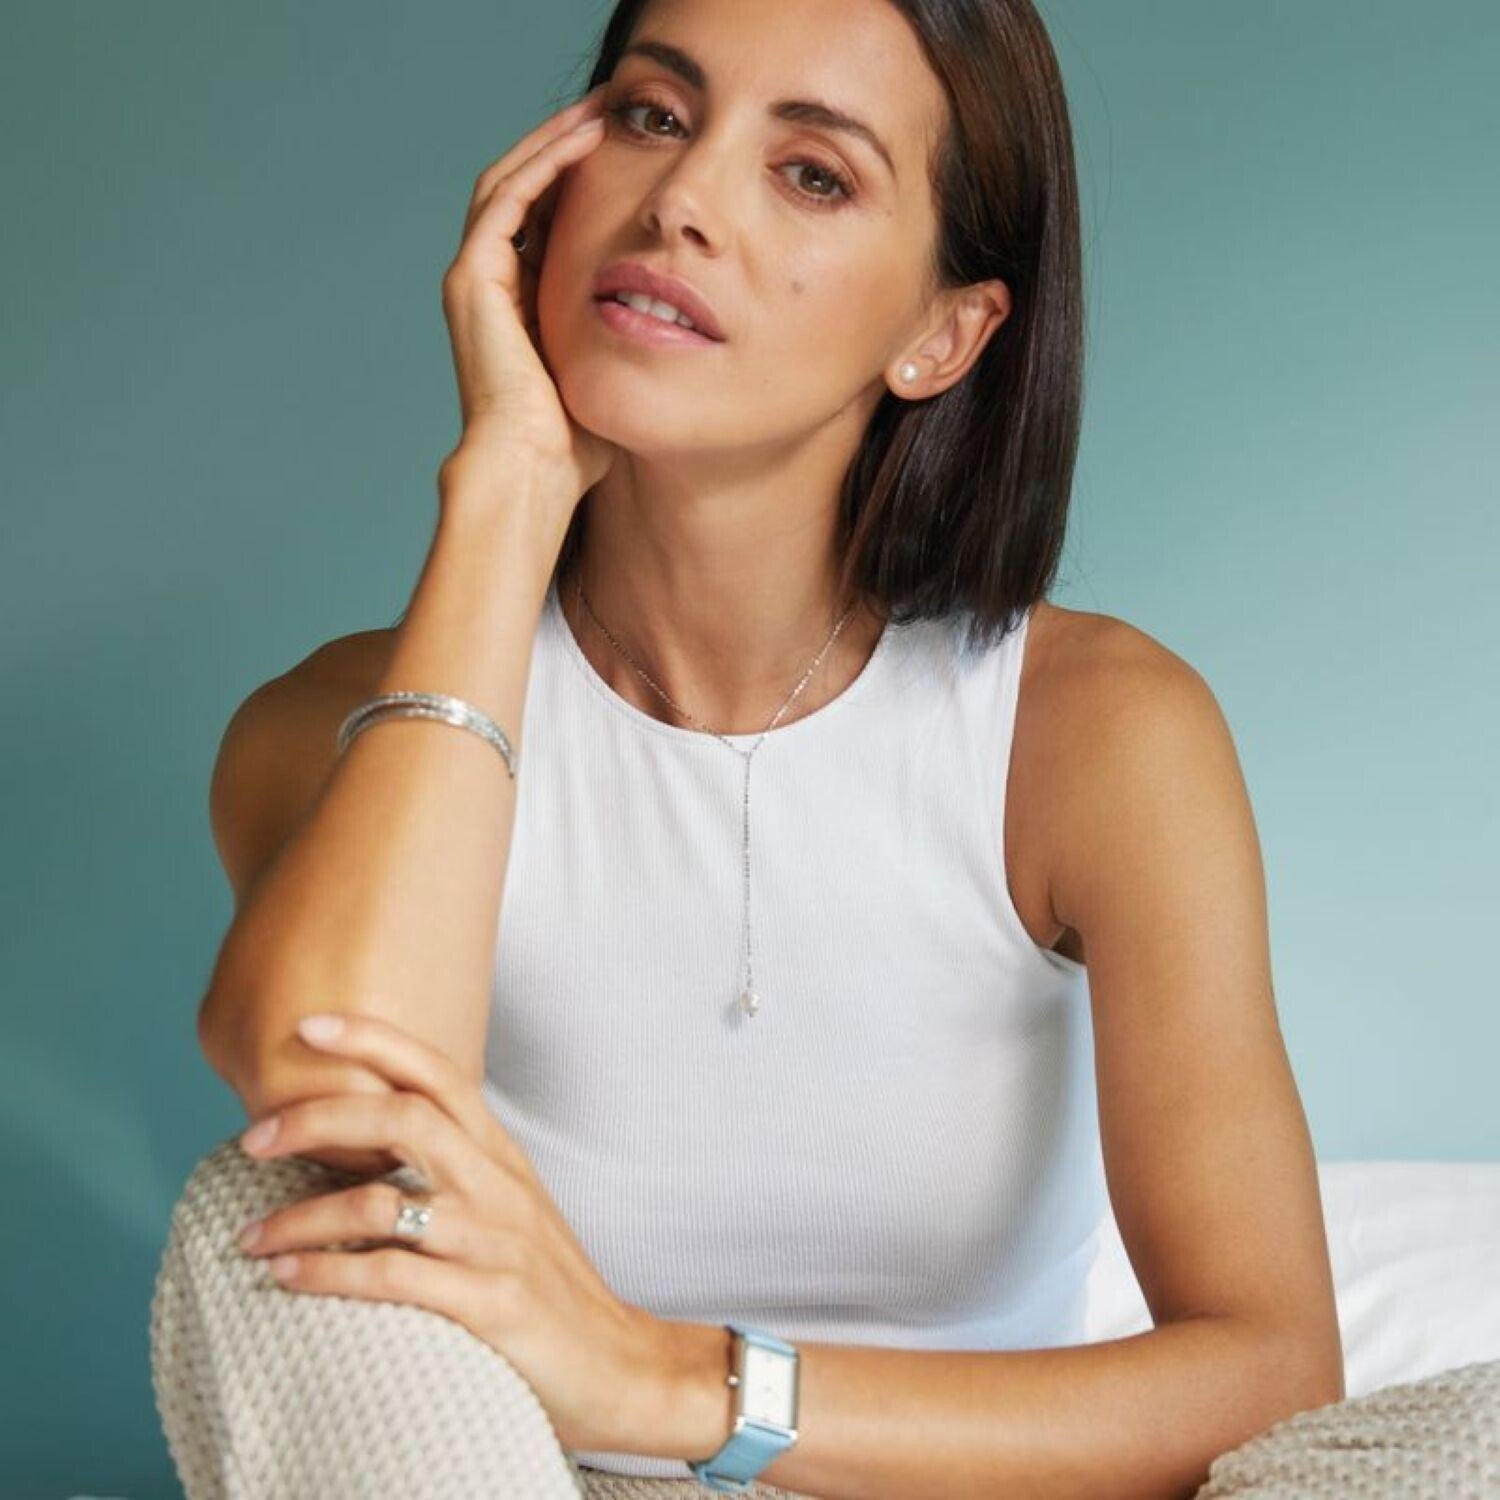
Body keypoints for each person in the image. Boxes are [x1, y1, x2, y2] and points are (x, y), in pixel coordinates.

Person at [151, 0, 1347, 1495]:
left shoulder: (1094, 732)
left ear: (942, 334)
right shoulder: (334, 724)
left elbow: (1270, 1373)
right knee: (262, 1217)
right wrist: (508, 488)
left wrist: (667, 1380)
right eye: (653, 116)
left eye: (813, 174)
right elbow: (320, 1080)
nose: (683, 202)